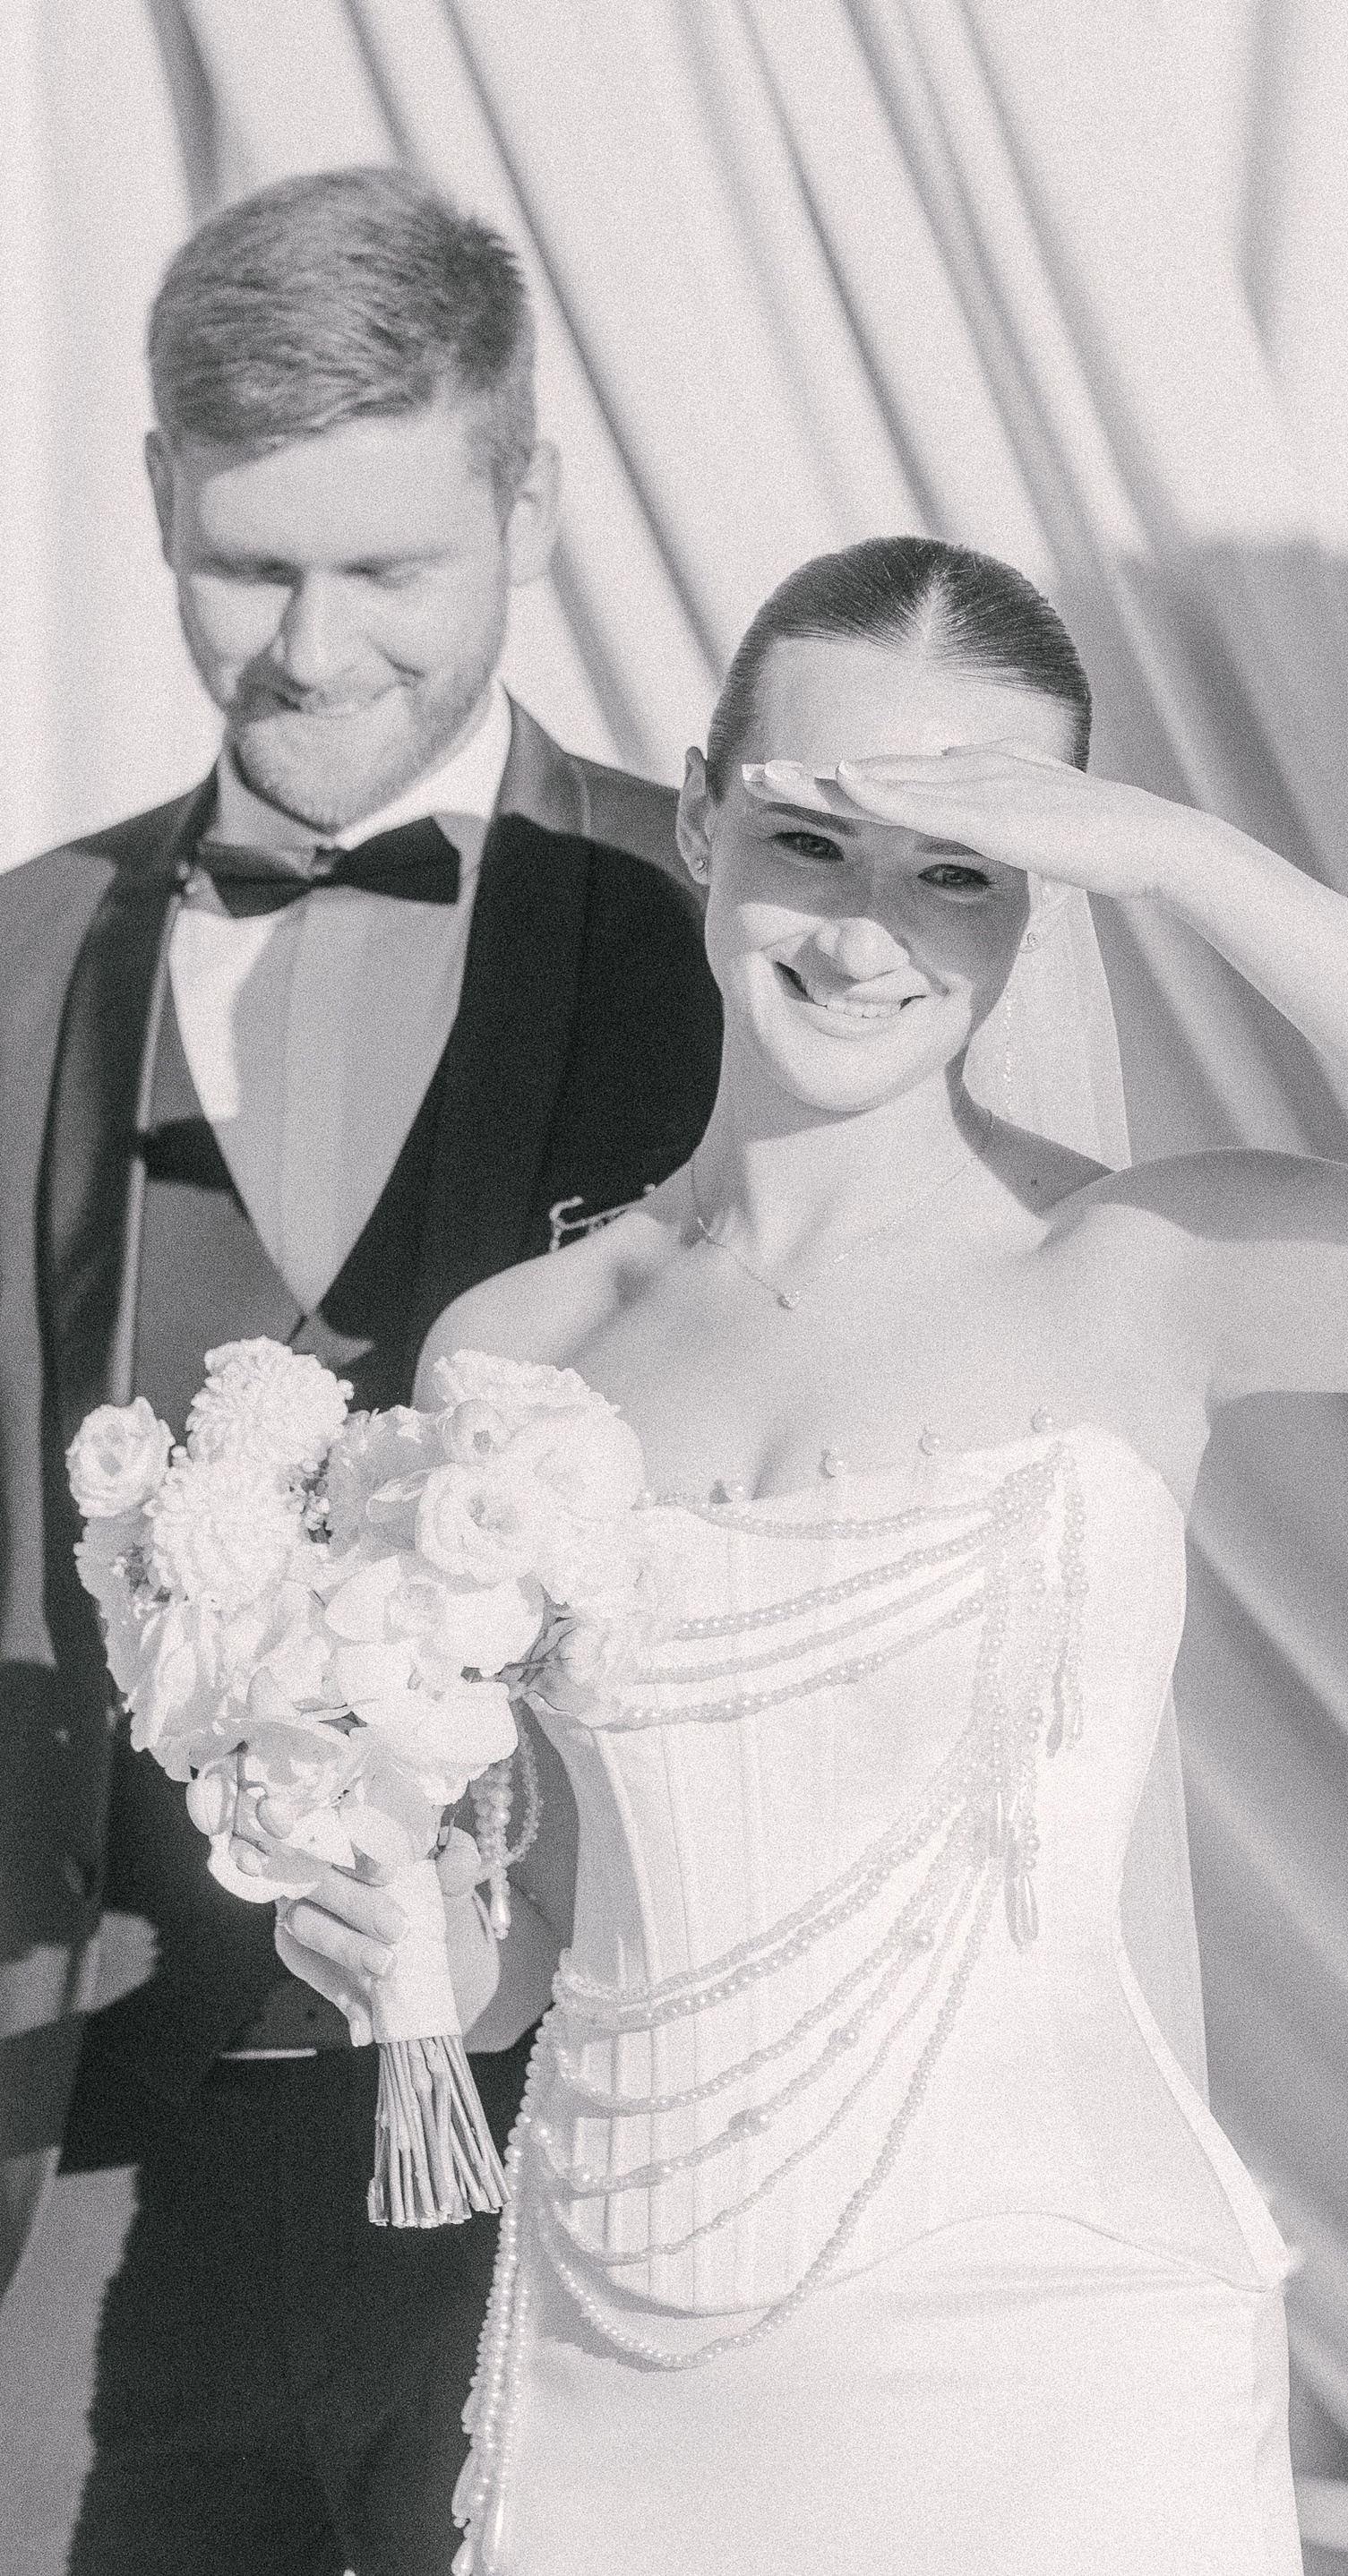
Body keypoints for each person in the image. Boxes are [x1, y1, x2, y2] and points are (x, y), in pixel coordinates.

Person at [255, 536, 1348, 2575]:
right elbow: (550, 1934)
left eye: (961, 871)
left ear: (1047, 889)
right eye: (812, 842)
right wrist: (416, 1951)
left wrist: (1193, 861)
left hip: (1060, 2382)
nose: (868, 936)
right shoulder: (515, 1356)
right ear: (700, 816)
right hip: (627, 2366)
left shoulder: (1134, 1265)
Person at [0, 167, 721, 2575]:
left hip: (584, 2144)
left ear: (532, 499)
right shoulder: (18, 955)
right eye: (246, 565)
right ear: (152, 501)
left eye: (390, 567)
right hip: (84, 2168)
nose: (310, 651)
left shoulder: (729, 949)